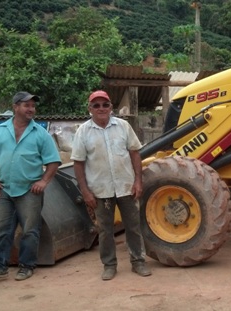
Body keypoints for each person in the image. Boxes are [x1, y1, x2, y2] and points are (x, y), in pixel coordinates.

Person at [0, 91, 61, 281]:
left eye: (33, 106)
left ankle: (27, 265)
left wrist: (44, 181)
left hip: (29, 190)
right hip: (4, 189)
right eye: (27, 105)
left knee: (30, 230)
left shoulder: (40, 134)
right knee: (2, 229)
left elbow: (54, 161)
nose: (31, 109)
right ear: (16, 107)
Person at [71, 90, 151, 281]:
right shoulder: (83, 131)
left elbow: (134, 154)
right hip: (100, 190)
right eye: (96, 105)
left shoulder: (123, 126)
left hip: (126, 187)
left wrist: (138, 181)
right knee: (105, 230)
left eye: (104, 104)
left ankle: (138, 261)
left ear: (111, 107)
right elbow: (78, 163)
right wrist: (85, 191)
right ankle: (109, 265)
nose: (101, 108)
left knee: (133, 226)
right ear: (90, 109)